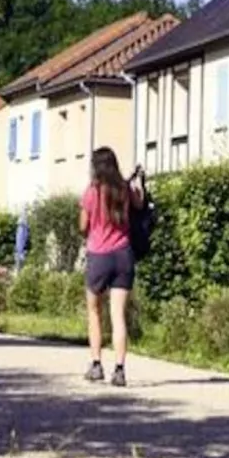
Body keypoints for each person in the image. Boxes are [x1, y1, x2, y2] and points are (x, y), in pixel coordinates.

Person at [80, 147, 144, 387]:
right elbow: (140, 205)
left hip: (99, 255)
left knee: (94, 311)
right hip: (123, 255)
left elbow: (83, 225)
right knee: (118, 314)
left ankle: (96, 364)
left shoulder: (92, 191)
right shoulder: (124, 190)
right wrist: (138, 184)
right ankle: (119, 369)